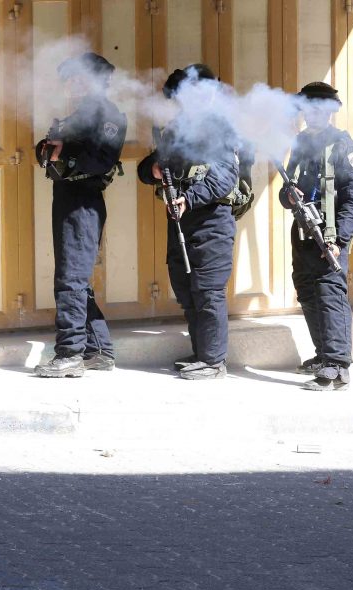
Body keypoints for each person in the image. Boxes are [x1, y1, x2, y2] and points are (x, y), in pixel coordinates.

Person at [137, 64, 239, 380]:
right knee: (188, 291)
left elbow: (226, 177)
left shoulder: (219, 127)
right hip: (181, 221)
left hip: (211, 223)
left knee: (208, 293)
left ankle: (214, 361)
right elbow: (150, 167)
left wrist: (189, 198)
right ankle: (202, 353)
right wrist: (152, 169)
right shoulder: (178, 128)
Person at [34, 52, 127, 378]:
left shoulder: (107, 115)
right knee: (76, 280)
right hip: (69, 199)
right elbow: (49, 152)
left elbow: (99, 160)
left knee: (70, 280)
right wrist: (49, 148)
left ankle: (70, 353)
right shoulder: (77, 116)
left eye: (77, 78)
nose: (70, 85)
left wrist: (65, 153)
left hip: (83, 203)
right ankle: (99, 351)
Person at [279, 82, 353, 391]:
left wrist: (338, 239)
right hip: (303, 231)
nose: (312, 114)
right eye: (308, 108)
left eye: (319, 108)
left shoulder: (345, 147)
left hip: (328, 234)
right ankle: (323, 355)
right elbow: (287, 189)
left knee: (330, 295)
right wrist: (289, 196)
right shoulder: (302, 143)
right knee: (306, 292)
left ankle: (338, 365)